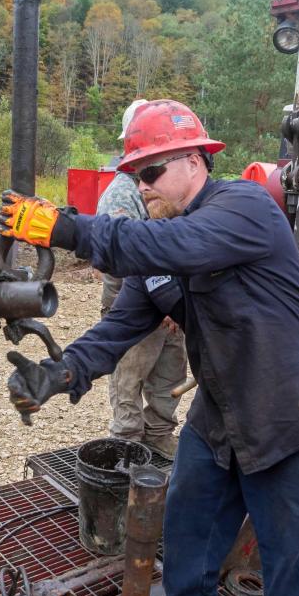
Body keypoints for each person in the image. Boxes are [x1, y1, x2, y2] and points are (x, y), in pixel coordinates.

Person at [0, 99, 299, 596]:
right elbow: (120, 326)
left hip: (289, 416)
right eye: (135, 174)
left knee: (293, 561)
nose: (142, 185)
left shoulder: (243, 210)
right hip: (221, 412)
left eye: (151, 172)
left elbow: (167, 248)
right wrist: (62, 372)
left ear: (193, 161)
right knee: (188, 521)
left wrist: (64, 228)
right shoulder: (161, 249)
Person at [95, 99, 187, 457]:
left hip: (171, 302)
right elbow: (123, 254)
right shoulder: (122, 192)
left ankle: (158, 434)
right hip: (133, 303)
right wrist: (163, 299)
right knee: (129, 376)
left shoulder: (167, 188)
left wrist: (177, 300)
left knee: (170, 375)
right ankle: (127, 444)